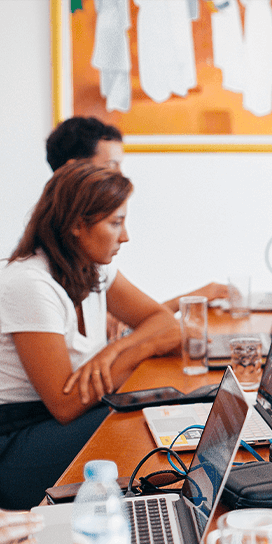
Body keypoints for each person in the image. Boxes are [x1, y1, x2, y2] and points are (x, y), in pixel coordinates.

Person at [0, 161, 180, 510]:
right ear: (76, 225)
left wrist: (113, 351)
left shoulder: (95, 268)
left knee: (159, 412)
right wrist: (142, 348)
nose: (125, 236)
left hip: (57, 423)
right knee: (143, 422)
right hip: (16, 442)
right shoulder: (30, 284)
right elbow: (66, 405)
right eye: (115, 223)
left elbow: (164, 321)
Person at [45, 117, 228, 315]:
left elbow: (142, 322)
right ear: (72, 169)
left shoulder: (96, 262)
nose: (121, 176)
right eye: (111, 165)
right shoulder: (45, 272)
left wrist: (197, 297)